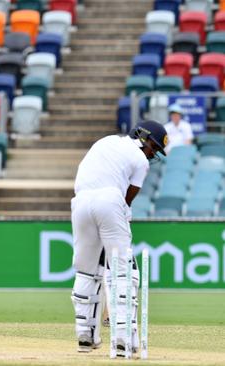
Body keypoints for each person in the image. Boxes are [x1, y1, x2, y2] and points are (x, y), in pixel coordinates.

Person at [70, 120, 167, 355]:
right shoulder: (140, 160)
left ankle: (85, 335)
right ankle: (123, 338)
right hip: (110, 199)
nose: (152, 153)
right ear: (142, 137)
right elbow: (127, 199)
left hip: (80, 201)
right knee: (123, 270)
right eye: (153, 146)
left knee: (86, 270)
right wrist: (121, 218)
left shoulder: (106, 141)